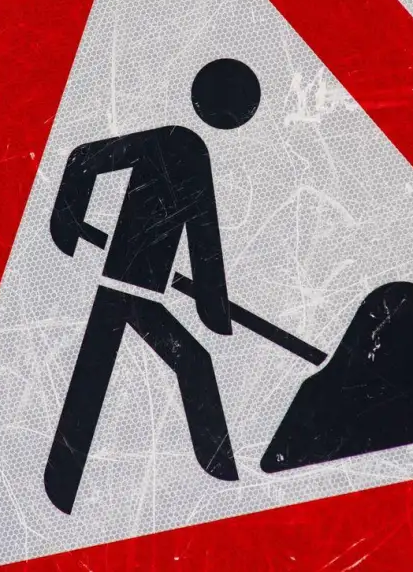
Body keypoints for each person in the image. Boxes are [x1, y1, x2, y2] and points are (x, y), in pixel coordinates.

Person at [43, 58, 262, 514]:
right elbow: (84, 160)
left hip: (133, 290)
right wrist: (64, 224)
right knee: (187, 363)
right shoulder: (180, 145)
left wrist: (212, 306)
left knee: (103, 376)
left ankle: (59, 487)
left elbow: (205, 239)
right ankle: (227, 485)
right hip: (126, 288)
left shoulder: (184, 146)